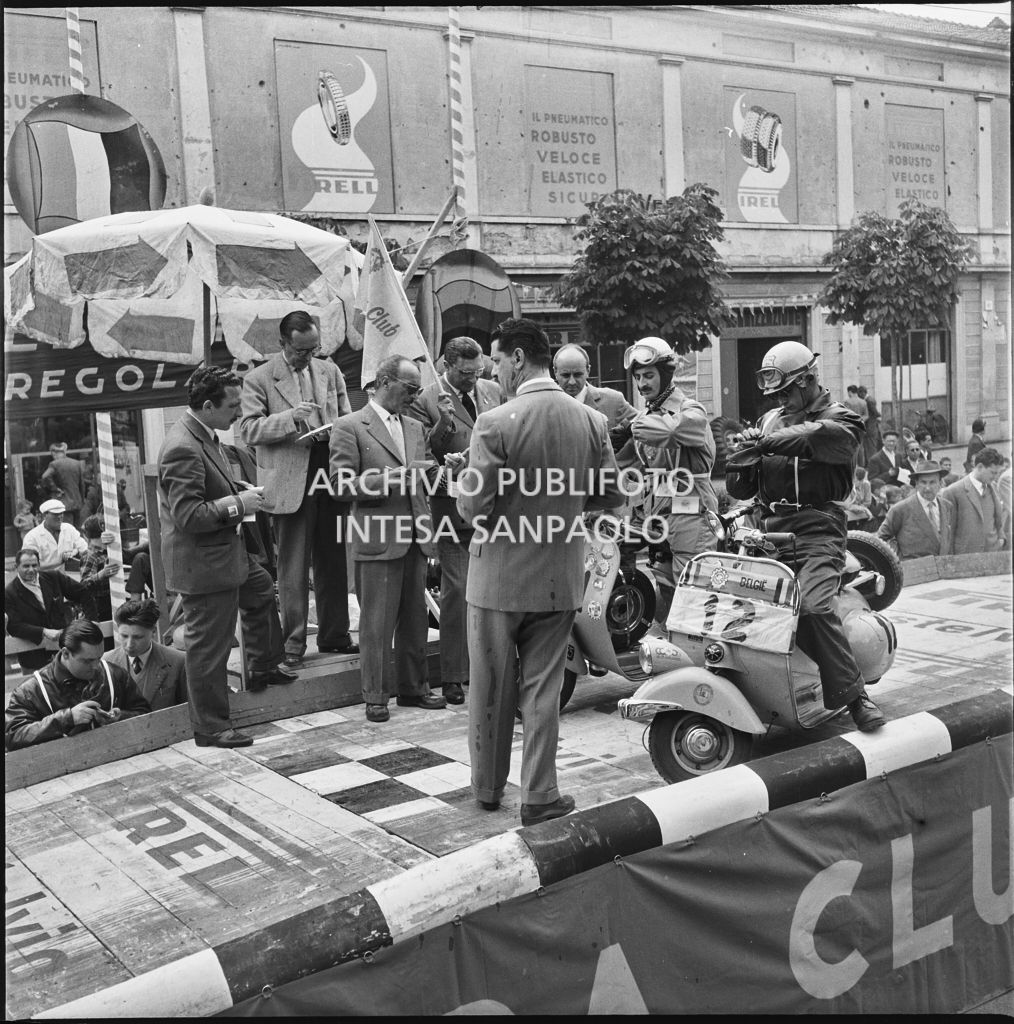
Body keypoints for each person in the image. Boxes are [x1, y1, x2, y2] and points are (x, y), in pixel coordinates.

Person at [457, 318, 624, 827]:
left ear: (517, 358)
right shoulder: (591, 420)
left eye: (496, 359)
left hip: (497, 580)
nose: (492, 369)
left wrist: (460, 481)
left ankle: (487, 788)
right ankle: (540, 794)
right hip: (559, 577)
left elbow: (473, 510)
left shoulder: (494, 422)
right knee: (543, 692)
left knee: (489, 688)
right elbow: (609, 495)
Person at [725, 340, 885, 733]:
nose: (780, 399)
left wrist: (766, 443)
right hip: (768, 530)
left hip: (819, 529)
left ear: (809, 379)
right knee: (735, 609)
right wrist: (742, 457)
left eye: (785, 390)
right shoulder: (768, 422)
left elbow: (818, 438)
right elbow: (743, 488)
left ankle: (854, 695)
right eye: (775, 394)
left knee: (812, 607)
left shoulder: (844, 419)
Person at [158, 366, 296, 750]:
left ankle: (265, 664)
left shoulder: (203, 435)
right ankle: (211, 727)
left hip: (224, 555)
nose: (240, 412)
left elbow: (208, 485)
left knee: (261, 589)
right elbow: (188, 517)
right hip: (205, 565)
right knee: (209, 649)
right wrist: (240, 502)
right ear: (207, 405)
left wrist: (237, 488)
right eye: (233, 405)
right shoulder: (182, 447)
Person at [329, 355, 447, 722]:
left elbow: (424, 476)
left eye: (417, 390)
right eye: (409, 389)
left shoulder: (414, 427)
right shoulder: (350, 426)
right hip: (377, 538)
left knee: (415, 620)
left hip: (414, 536)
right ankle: (376, 696)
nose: (414, 396)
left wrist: (443, 469)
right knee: (376, 624)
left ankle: (414, 688)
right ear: (383, 382)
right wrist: (391, 479)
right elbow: (338, 485)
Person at [239, 310, 357, 668]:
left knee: (334, 560)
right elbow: (248, 430)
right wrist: (291, 419)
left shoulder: (330, 370)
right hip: (291, 478)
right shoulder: (258, 378)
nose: (309, 357)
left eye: (314, 349)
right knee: (292, 565)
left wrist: (336, 431)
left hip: (329, 470)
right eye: (301, 351)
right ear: (283, 344)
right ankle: (292, 642)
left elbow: (348, 419)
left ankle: (335, 633)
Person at [407, 335, 502, 705]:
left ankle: (491, 668)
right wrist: (444, 423)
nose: (472, 380)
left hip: (496, 508)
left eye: (478, 372)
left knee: (495, 594)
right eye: (465, 374)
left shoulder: (492, 390)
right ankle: (454, 677)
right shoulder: (426, 399)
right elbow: (419, 455)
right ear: (446, 367)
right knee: (458, 594)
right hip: (452, 512)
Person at [615, 337, 718, 575]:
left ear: (666, 374)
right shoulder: (647, 417)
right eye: (638, 377)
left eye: (649, 375)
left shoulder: (691, 409)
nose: (642, 384)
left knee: (690, 592)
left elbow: (673, 430)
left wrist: (632, 426)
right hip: (655, 516)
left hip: (691, 515)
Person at [5, 619, 151, 751]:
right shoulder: (30, 691)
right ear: (66, 653)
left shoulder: (115, 674)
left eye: (98, 658)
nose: (96, 666)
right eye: (87, 661)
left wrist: (121, 717)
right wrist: (66, 718)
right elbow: (12, 736)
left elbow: (146, 714)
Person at [4, 547, 113, 671]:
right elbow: (14, 626)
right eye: (26, 566)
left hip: (64, 652)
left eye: (34, 565)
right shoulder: (9, 593)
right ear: (16, 566)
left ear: (39, 564)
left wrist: (92, 620)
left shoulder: (53, 577)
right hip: (33, 657)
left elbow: (83, 593)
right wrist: (43, 631)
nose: (31, 570)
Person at [104, 598, 187, 711]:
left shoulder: (178, 661)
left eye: (138, 637)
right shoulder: (106, 662)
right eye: (124, 636)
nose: (129, 644)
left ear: (153, 631)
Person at [553, 343, 638, 431]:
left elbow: (645, 424)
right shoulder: (546, 406)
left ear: (588, 371)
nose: (572, 382)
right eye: (565, 375)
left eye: (577, 375)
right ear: (555, 372)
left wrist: (626, 440)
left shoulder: (613, 400)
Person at [877, 460, 951, 559]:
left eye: (932, 482)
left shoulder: (947, 506)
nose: (927, 488)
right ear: (916, 484)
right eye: (923, 482)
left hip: (944, 568)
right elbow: (880, 539)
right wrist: (896, 558)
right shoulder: (900, 509)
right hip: (913, 570)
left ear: (940, 483)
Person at [939, 447, 1006, 555]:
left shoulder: (993, 487)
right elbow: (948, 533)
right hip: (966, 557)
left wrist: (1001, 539)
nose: (996, 477)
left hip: (993, 553)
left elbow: (997, 519)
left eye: (997, 473)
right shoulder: (952, 492)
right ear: (979, 467)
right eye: (993, 473)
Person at [21, 498, 89, 570]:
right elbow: (29, 565)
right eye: (55, 514)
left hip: (66, 577)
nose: (60, 516)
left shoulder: (69, 529)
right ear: (45, 515)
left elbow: (84, 549)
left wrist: (75, 552)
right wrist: (59, 561)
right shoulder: (32, 537)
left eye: (61, 513)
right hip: (42, 577)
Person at [79, 514, 121, 622]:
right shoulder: (90, 556)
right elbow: (84, 585)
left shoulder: (109, 551)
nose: (98, 549)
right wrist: (102, 574)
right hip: (97, 604)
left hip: (111, 599)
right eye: (96, 547)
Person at [40, 443, 87, 527]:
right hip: (77, 502)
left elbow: (45, 476)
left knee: (66, 530)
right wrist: (82, 500)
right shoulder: (77, 463)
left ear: (53, 453)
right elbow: (82, 485)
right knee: (77, 531)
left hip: (63, 504)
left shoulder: (54, 464)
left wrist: (55, 489)